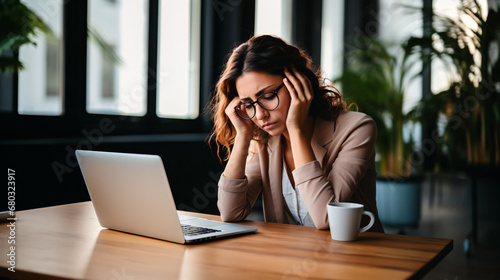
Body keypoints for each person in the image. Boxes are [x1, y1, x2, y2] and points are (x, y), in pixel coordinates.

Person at [208, 35, 384, 231]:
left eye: (268, 96)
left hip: (357, 257)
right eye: (248, 104)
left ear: (298, 83)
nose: (260, 115)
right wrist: (243, 137)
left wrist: (295, 129)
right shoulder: (263, 139)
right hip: (292, 258)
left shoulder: (357, 128)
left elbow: (327, 219)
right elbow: (231, 213)